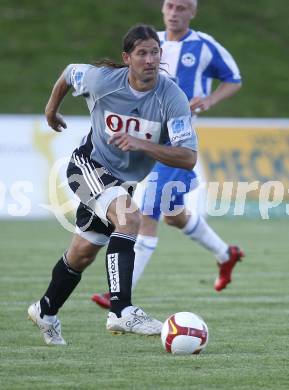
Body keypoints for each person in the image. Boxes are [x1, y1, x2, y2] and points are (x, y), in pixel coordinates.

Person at [27, 24, 198, 345]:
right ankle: (121, 310)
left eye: (155, 52)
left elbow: (188, 157)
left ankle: (45, 310)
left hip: (123, 182)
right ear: (127, 58)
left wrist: (142, 144)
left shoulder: (172, 96)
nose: (149, 59)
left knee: (82, 254)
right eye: (142, 53)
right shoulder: (102, 80)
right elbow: (69, 73)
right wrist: (51, 110)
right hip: (87, 166)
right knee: (130, 216)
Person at [92, 0, 244, 310]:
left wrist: (210, 99)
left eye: (182, 7)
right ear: (163, 9)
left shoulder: (204, 45)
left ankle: (119, 295)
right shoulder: (151, 45)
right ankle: (226, 254)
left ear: (193, 12)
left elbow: (234, 79)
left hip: (175, 143)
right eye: (170, 6)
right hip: (145, 137)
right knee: (174, 216)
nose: (175, 13)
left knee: (147, 216)